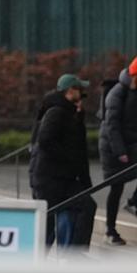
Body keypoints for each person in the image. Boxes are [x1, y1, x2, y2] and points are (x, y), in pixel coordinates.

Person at [30, 73, 94, 250]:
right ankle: (38, 261)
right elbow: (45, 141)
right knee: (48, 226)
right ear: (70, 91)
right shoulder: (56, 112)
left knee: (85, 206)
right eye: (80, 91)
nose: (82, 95)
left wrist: (85, 181)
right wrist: (67, 158)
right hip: (50, 179)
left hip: (62, 179)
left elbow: (79, 149)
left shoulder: (70, 113)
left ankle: (73, 253)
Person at [98, 57, 137, 245]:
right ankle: (110, 229)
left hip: (131, 144)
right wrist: (120, 151)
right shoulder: (117, 92)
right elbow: (112, 125)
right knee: (116, 186)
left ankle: (133, 202)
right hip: (114, 146)